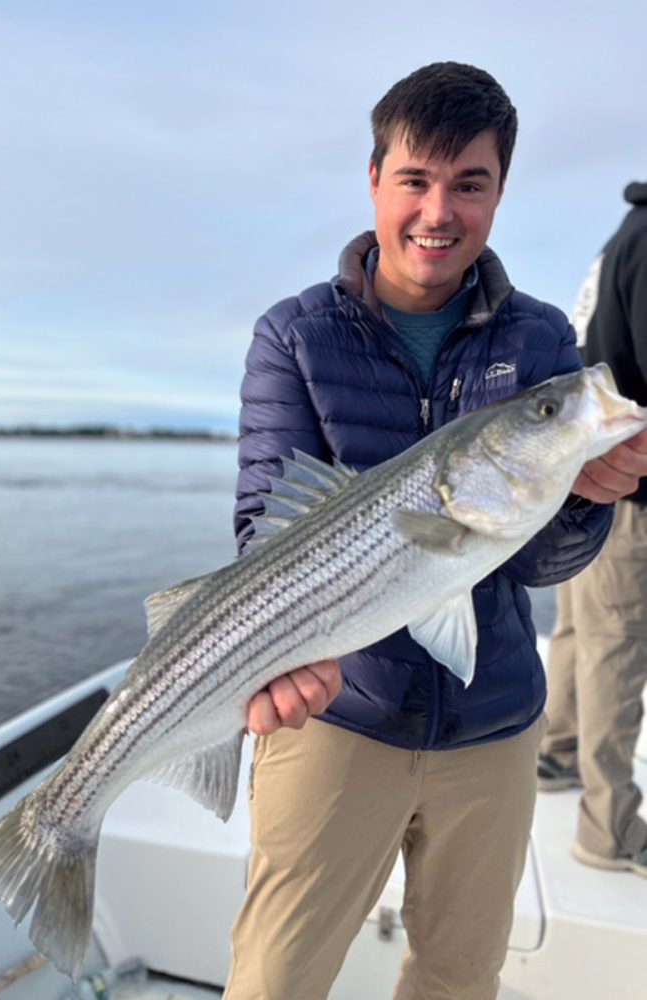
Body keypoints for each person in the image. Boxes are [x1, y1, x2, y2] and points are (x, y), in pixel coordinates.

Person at [224, 63, 647, 1000]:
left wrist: (585, 496)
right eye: (415, 179)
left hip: (491, 721)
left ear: (499, 192)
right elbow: (266, 524)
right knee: (275, 981)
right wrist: (283, 653)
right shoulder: (295, 336)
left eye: (470, 183)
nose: (438, 211)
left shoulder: (540, 343)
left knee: (460, 980)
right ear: (374, 178)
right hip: (338, 713)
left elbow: (538, 563)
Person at [537, 181, 647, 877]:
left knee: (583, 628)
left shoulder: (621, 238)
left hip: (586, 478)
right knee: (617, 645)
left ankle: (560, 751)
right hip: (629, 483)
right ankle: (609, 831)